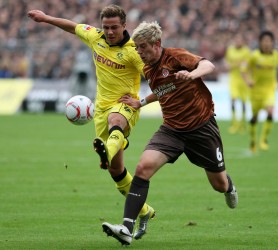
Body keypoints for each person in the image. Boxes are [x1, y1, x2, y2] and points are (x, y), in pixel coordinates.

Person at [101, 21, 238, 246]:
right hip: (172, 130)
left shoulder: (175, 57)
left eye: (143, 47)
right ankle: (126, 228)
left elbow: (208, 65)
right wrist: (141, 102)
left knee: (219, 185)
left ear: (157, 44)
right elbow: (162, 89)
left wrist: (193, 75)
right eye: (137, 47)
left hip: (201, 128)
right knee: (142, 168)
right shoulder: (147, 68)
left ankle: (229, 185)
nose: (139, 52)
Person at [27, 5, 155, 239]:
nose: (110, 32)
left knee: (117, 120)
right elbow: (72, 26)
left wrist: (143, 101)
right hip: (101, 109)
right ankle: (145, 211)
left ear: (124, 26)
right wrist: (45, 18)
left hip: (126, 105)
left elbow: (156, 79)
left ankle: (107, 148)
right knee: (116, 171)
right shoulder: (96, 37)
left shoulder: (133, 51)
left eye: (114, 27)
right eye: (106, 27)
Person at [242, 31, 278, 152]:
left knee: (270, 111)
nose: (267, 43)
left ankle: (263, 139)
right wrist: (248, 81)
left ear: (273, 43)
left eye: (269, 41)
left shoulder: (277, 56)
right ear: (260, 43)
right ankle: (252, 140)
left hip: (270, 90)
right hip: (255, 92)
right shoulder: (254, 56)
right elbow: (244, 70)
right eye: (264, 41)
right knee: (254, 118)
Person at [224, 34, 251, 134]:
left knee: (243, 102)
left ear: (243, 41)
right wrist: (236, 65)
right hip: (234, 79)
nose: (238, 41)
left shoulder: (246, 51)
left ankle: (242, 124)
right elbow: (227, 64)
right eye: (236, 39)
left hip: (244, 79)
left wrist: (234, 65)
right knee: (233, 99)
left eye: (240, 40)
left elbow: (246, 65)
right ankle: (234, 124)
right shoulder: (230, 50)